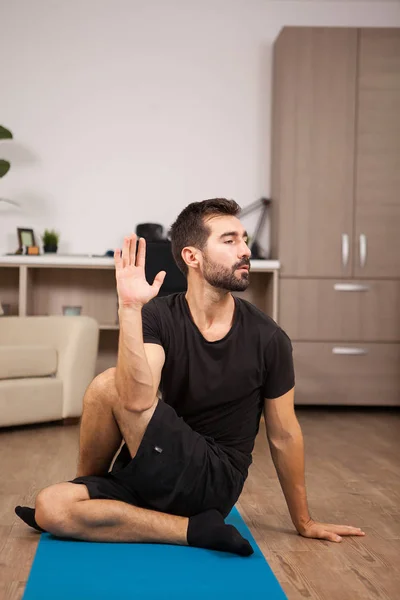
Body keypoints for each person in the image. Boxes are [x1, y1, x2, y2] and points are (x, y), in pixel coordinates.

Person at [15, 198, 365, 554]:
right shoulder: (159, 316)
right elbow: (137, 396)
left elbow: (284, 436)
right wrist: (131, 309)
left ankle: (109, 501)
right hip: (154, 461)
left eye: (243, 239)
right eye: (229, 241)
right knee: (52, 507)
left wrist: (303, 521)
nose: (245, 250)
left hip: (213, 478)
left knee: (107, 384)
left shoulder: (268, 338)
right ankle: (188, 530)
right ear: (192, 256)